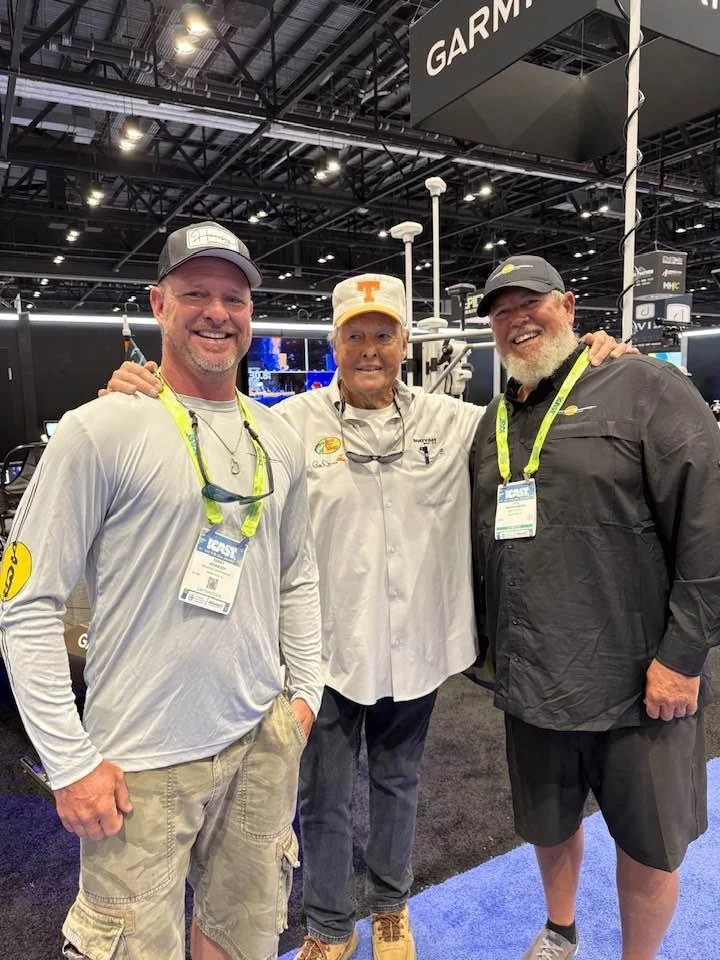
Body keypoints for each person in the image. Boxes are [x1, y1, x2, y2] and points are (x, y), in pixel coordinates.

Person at [104, 272, 628, 960]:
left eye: (384, 334)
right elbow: (210, 428)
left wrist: (599, 365)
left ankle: (389, 907)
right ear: (335, 343)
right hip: (322, 656)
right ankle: (328, 925)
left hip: (417, 650)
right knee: (321, 796)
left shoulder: (455, 422)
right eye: (356, 336)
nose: (370, 349)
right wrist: (148, 395)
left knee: (398, 784)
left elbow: (543, 419)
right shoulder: (289, 424)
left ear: (404, 342)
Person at [0, 221, 323, 960]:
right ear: (158, 304)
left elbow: (298, 572)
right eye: (195, 294)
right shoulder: (99, 430)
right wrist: (70, 762)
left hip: (260, 737)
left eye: (234, 298)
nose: (217, 313)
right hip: (139, 759)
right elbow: (25, 606)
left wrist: (306, 693)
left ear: (252, 312)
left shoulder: (277, 438)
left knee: (243, 934)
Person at [470, 255, 720, 960]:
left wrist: (683, 657)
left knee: (649, 844)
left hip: (639, 685)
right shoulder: (493, 419)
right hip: (533, 679)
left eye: (531, 302)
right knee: (548, 826)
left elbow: (708, 526)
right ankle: (561, 928)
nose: (517, 320)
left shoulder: (647, 388)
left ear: (569, 305)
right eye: (501, 311)